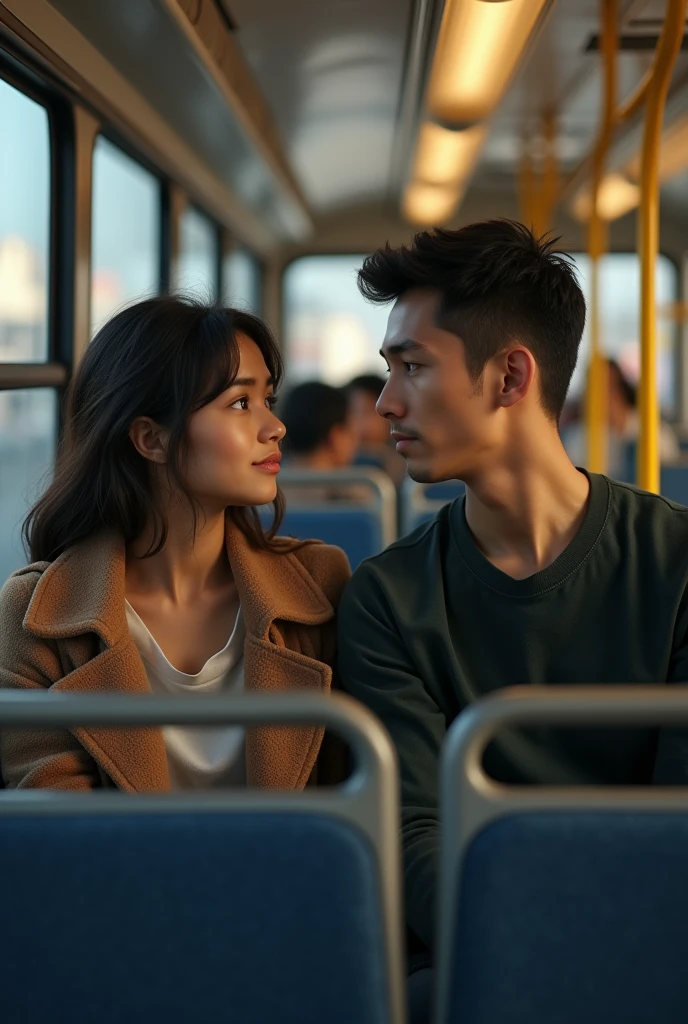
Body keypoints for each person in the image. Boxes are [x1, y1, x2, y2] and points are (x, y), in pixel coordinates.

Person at [337, 221, 688, 982]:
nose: (387, 404)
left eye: (413, 368)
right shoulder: (386, 599)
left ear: (510, 377)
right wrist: (547, 940)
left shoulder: (676, 563)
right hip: (482, 955)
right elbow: (413, 836)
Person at [0, 296, 350, 791]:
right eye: (241, 403)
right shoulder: (34, 616)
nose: (275, 427)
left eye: (268, 400)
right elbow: (65, 838)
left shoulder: (321, 584)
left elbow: (352, 799)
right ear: (152, 439)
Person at [562, 357, 681, 478]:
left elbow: (671, 474)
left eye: (610, 388)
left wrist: (621, 425)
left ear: (622, 390)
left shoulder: (650, 428)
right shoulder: (579, 437)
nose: (603, 397)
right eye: (594, 389)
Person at [280, 380, 370, 503]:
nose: (356, 442)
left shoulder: (262, 496)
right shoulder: (361, 497)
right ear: (335, 437)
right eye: (351, 433)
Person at [346, 373, 407, 484]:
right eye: (353, 412)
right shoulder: (340, 460)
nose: (360, 422)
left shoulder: (407, 457)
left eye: (367, 411)